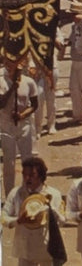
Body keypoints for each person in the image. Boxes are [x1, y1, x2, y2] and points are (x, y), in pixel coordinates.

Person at [1, 156, 65, 266]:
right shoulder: (16, 193)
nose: (27, 178)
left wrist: (51, 210)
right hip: (25, 247)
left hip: (46, 247)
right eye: (24, 175)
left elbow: (62, 221)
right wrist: (18, 220)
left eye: (31, 175)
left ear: (41, 176)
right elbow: (3, 217)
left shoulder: (53, 194)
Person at [0, 61, 38, 194]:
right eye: (14, 70)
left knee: (27, 160)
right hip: (6, 126)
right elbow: (1, 104)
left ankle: (27, 192)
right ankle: (10, 194)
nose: (17, 73)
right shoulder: (1, 82)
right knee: (9, 163)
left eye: (19, 70)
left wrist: (22, 115)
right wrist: (12, 88)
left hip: (24, 125)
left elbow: (34, 105)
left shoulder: (29, 82)